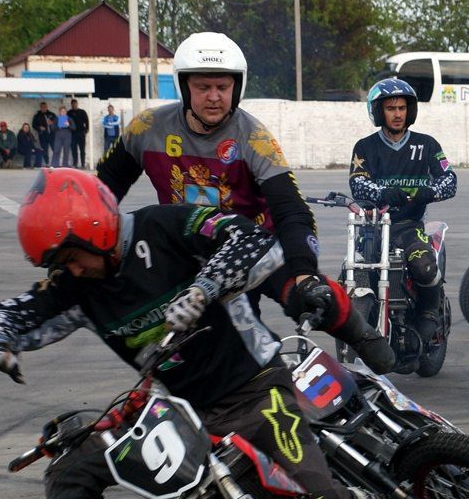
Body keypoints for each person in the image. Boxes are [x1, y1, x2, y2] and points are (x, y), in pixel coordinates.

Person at [0, 168, 451, 499]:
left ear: (98, 227)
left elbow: (250, 236)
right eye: (60, 264)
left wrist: (204, 287)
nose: (72, 270)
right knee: (71, 469)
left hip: (256, 386)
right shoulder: (76, 284)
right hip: (181, 414)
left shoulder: (164, 226)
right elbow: (16, 311)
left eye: (71, 256)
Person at [97, 31, 394, 373]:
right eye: (202, 87)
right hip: (188, 249)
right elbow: (104, 191)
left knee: (311, 296)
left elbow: (292, 211)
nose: (213, 97)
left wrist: (303, 274)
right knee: (211, 350)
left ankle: (358, 330)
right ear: (183, 87)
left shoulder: (255, 138)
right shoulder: (146, 128)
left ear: (236, 88)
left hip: (256, 246)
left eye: (222, 87)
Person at [348, 77, 458, 344]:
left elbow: (449, 180)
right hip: (372, 229)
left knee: (424, 267)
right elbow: (357, 182)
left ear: (410, 110)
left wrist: (427, 192)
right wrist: (382, 194)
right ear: (378, 112)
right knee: (351, 272)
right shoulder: (365, 147)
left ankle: (429, 313)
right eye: (390, 108)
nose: (397, 114)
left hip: (409, 228)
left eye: (401, 108)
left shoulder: (428, 145)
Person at [68, 99, 90, 168]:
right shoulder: (69, 113)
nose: (74, 105)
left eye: (75, 104)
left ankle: (83, 164)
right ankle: (75, 163)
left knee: (82, 150)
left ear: (77, 104)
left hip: (81, 133)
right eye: (73, 104)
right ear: (71, 105)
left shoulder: (82, 112)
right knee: (74, 149)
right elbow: (66, 122)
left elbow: (87, 121)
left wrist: (87, 129)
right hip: (72, 134)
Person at [32, 102, 55, 166]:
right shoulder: (37, 116)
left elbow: (57, 123)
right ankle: (47, 163)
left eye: (45, 107)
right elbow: (33, 125)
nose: (44, 108)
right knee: (45, 150)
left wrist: (52, 123)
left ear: (47, 107)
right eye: (42, 107)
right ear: (40, 107)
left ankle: (56, 163)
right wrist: (39, 127)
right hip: (43, 136)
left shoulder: (52, 114)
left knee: (55, 148)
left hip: (52, 135)